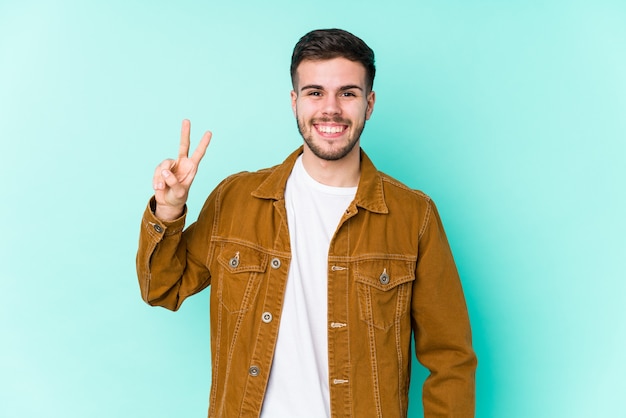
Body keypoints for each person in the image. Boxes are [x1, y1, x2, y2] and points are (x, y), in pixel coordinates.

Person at [136, 28, 477, 418]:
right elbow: (161, 288)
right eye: (315, 92)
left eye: (347, 93)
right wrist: (168, 211)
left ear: (369, 104)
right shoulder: (236, 200)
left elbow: (451, 359)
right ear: (295, 101)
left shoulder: (413, 216)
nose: (330, 109)